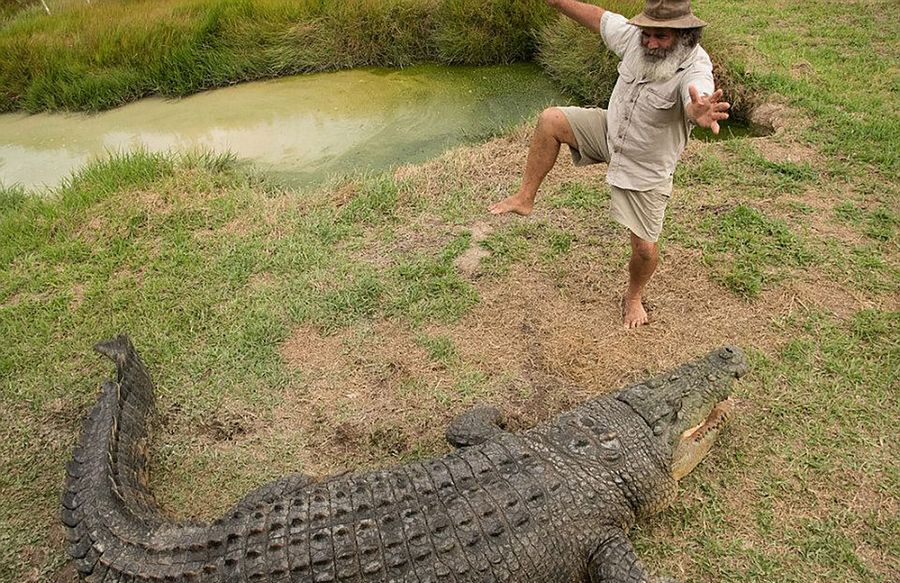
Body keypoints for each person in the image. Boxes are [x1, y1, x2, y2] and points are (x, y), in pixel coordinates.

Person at [490, 0, 730, 328]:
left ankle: (633, 296)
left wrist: (698, 110)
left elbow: (697, 94)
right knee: (551, 120)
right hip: (610, 131)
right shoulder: (635, 39)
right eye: (647, 33)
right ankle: (525, 198)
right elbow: (599, 18)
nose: (650, 42)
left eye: (661, 37)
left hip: (645, 166)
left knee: (645, 249)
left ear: (685, 35)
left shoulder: (695, 66)